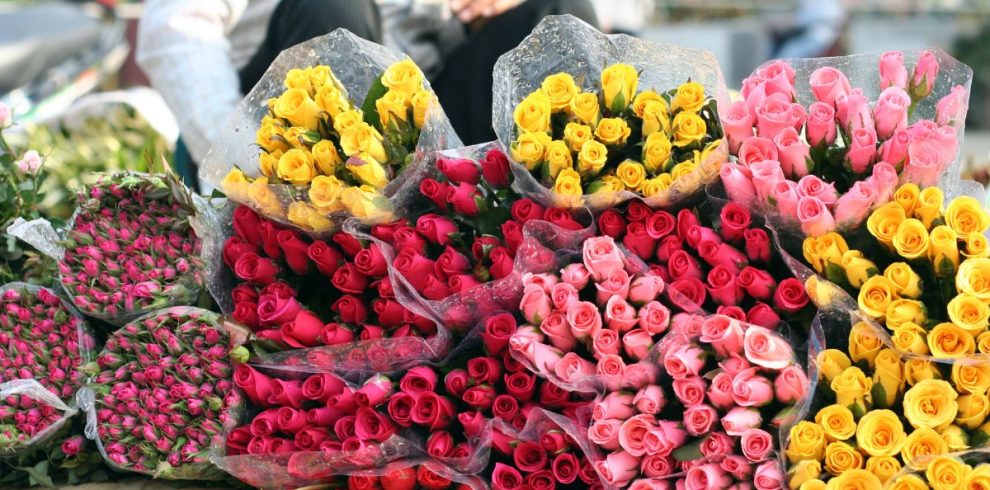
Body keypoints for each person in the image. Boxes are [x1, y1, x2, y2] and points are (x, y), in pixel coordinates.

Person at [137, 0, 597, 190]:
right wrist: (242, 165)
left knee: (554, 14)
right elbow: (175, 34)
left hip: (414, 116)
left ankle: (538, 223)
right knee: (334, 7)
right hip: (284, 131)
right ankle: (346, 224)